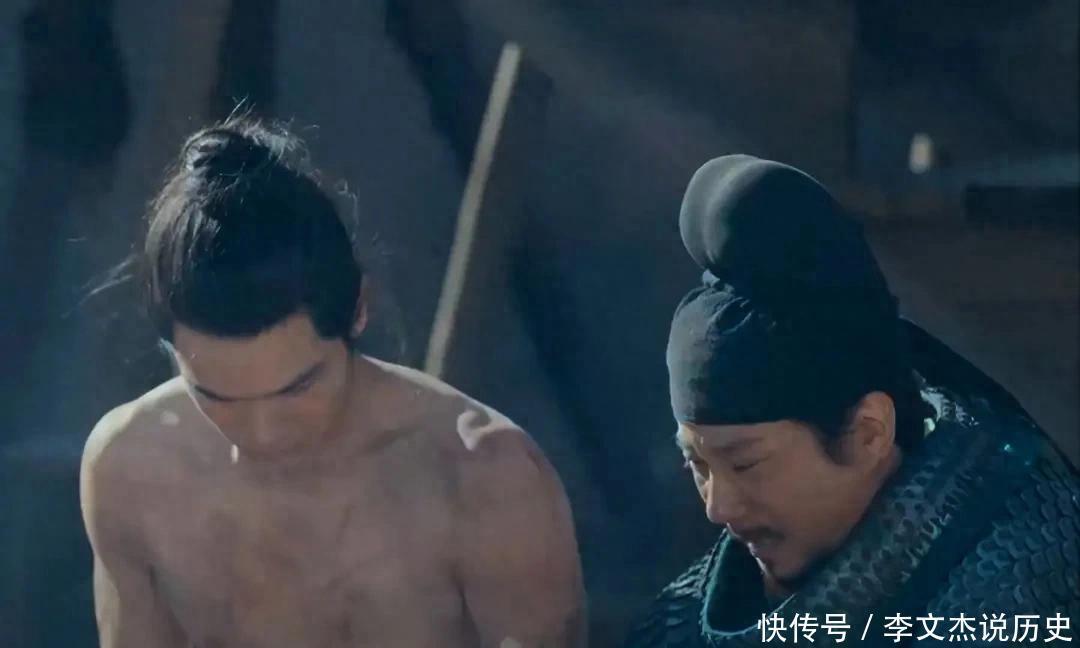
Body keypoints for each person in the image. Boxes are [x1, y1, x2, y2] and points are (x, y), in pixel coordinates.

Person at [79, 118, 586, 648]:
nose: (263, 432)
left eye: (297, 388)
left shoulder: (483, 477)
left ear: (358, 309)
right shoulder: (131, 468)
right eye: (216, 397)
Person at [625, 155, 1079, 647]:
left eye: (746, 463)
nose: (718, 508)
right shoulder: (680, 622)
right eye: (698, 465)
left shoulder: (1022, 585)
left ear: (868, 433)